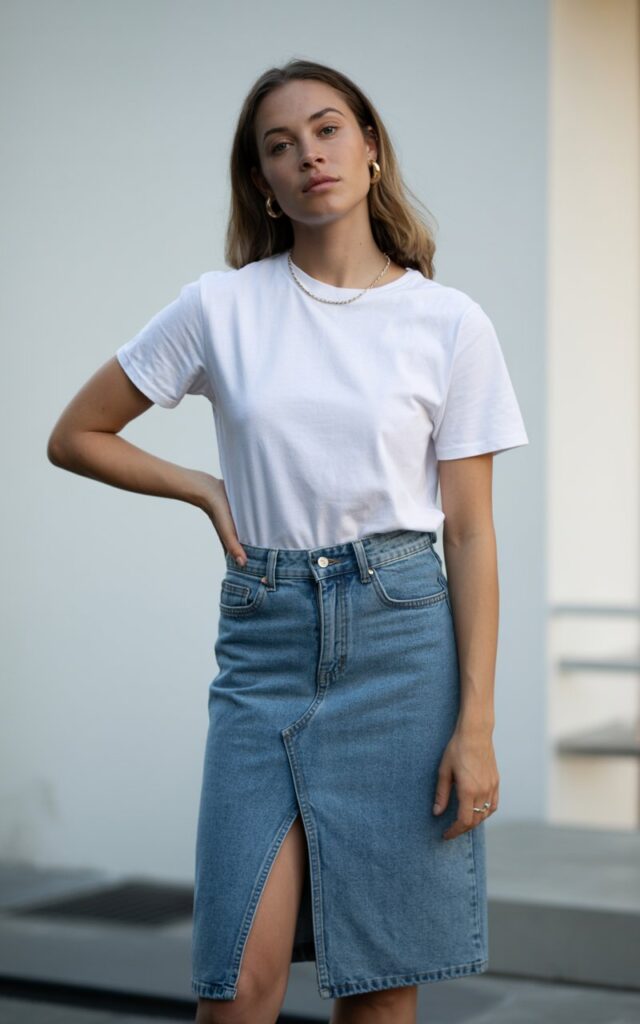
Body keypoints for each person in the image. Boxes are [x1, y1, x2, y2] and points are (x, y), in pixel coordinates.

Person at [47, 58, 529, 1024]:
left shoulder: (449, 323)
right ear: (261, 181)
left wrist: (474, 725)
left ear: (371, 147)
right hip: (264, 641)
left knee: (377, 989)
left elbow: (471, 534)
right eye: (280, 145)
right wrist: (198, 487)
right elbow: (75, 435)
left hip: (403, 642)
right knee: (237, 986)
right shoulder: (219, 309)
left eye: (327, 129)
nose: (309, 154)